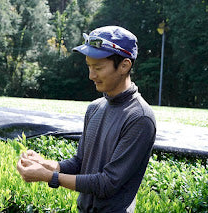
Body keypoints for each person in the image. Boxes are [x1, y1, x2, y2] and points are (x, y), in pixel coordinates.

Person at [17, 26, 156, 213]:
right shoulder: (95, 108)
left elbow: (107, 183)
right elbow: (79, 164)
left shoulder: (140, 118)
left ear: (124, 65)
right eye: (89, 66)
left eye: (98, 68)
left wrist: (49, 176)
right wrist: (44, 164)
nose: (91, 75)